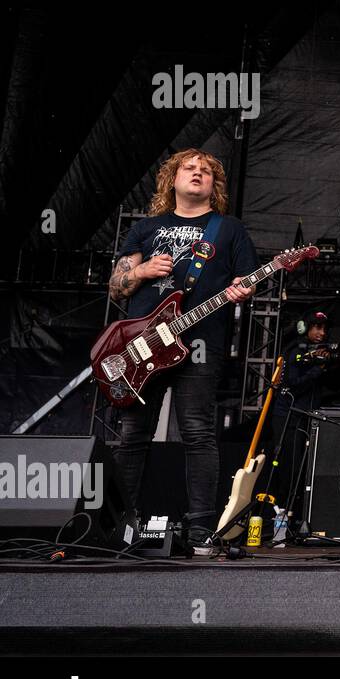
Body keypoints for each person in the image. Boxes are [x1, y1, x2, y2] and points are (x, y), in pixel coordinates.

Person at [107, 148, 257, 550]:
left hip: (201, 342)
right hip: (144, 346)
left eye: (205, 171)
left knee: (198, 432)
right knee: (133, 434)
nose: (197, 174)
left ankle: (200, 528)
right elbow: (116, 286)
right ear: (171, 179)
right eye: (189, 168)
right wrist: (139, 271)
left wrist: (244, 289)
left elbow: (247, 281)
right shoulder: (147, 227)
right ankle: (120, 524)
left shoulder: (228, 229)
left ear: (214, 185)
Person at [266, 309, 340, 510]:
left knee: (305, 468)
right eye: (317, 327)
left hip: (308, 417)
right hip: (289, 416)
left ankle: (297, 515)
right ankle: (281, 514)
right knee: (289, 466)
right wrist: (319, 368)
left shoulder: (320, 352)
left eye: (324, 329)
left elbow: (335, 385)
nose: (322, 333)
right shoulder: (295, 351)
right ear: (305, 328)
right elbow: (294, 384)